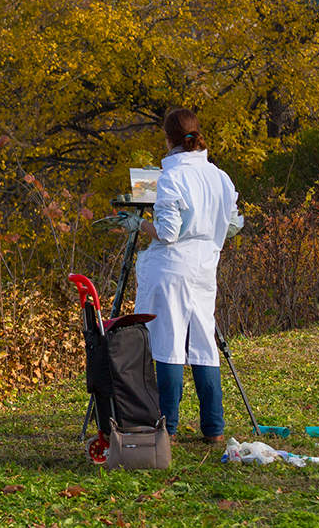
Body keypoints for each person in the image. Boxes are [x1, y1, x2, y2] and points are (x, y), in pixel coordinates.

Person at [125, 107, 243, 443]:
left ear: (168, 139)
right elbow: (231, 221)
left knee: (168, 344)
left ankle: (168, 427)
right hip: (205, 266)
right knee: (204, 344)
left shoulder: (170, 177)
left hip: (171, 268)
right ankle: (214, 428)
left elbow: (168, 232)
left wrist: (138, 224)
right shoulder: (219, 176)